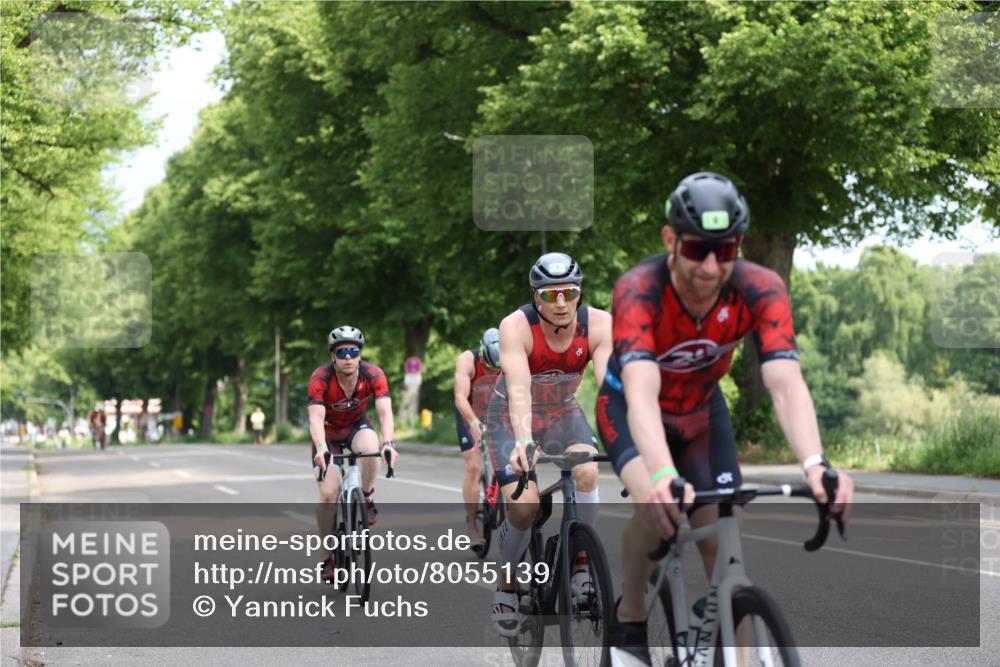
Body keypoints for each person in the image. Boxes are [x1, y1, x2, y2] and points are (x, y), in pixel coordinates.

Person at [597, 172, 855, 666]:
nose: (712, 266)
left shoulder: (760, 287)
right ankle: (629, 620)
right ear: (670, 240)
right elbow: (642, 393)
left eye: (727, 249)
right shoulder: (638, 290)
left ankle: (722, 627)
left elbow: (784, 383)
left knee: (720, 536)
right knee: (657, 515)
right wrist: (663, 476)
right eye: (697, 249)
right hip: (630, 410)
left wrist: (816, 464)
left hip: (701, 413)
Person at [488, 252, 613, 636]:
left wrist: (627, 441)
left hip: (562, 412)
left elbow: (612, 390)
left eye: (569, 293)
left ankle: (579, 569)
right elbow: (519, 387)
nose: (560, 302)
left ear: (579, 293)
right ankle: (507, 584)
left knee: (588, 469)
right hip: (511, 415)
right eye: (549, 294)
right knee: (524, 507)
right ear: (536, 297)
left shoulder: (600, 324)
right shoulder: (516, 326)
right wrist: (524, 439)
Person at [307, 325, 399, 580]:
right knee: (327, 494)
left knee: (372, 450)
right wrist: (322, 449)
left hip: (356, 427)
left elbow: (384, 412)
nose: (348, 356)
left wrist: (389, 443)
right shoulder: (320, 378)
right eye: (342, 351)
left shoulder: (373, 374)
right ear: (333, 356)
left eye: (353, 351)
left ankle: (367, 496)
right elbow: (315, 419)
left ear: (360, 354)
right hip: (327, 433)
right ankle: (327, 557)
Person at [453, 327, 502, 553]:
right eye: (490, 366)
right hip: (469, 411)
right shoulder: (467, 360)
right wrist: (473, 422)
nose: (494, 371)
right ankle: (472, 527)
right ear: (482, 352)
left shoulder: (513, 357)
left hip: (499, 410)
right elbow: (460, 398)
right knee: (473, 468)